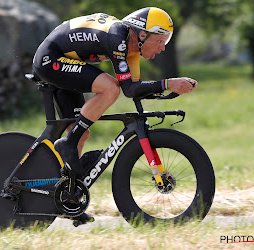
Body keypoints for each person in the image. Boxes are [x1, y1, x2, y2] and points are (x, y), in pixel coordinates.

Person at [32, 7, 197, 224]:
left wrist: (167, 90)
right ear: (142, 34)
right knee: (110, 88)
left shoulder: (132, 50)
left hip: (65, 61)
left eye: (165, 42)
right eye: (159, 41)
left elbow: (135, 89)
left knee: (81, 135)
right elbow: (127, 89)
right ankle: (67, 143)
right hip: (50, 58)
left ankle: (67, 197)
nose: (162, 48)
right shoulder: (117, 38)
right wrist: (167, 83)